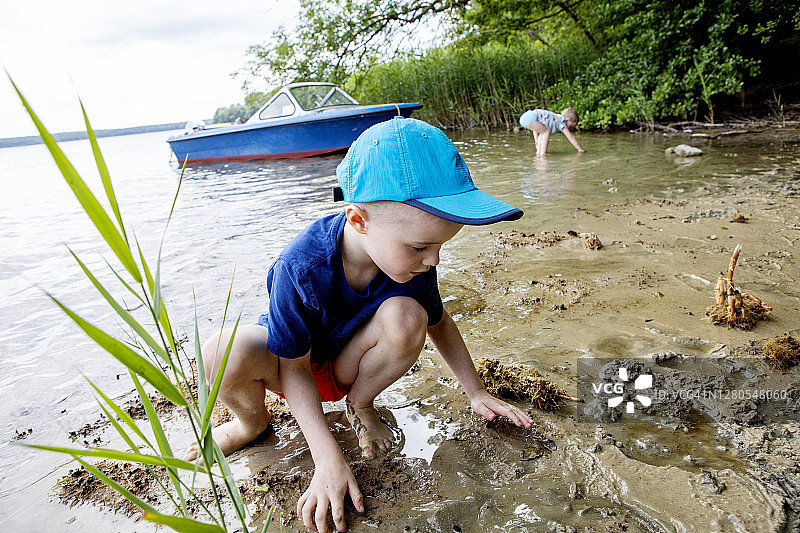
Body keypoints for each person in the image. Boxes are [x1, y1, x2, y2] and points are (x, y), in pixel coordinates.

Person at [184, 116, 533, 533]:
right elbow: (293, 366)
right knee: (220, 352)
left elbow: (439, 324)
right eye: (421, 246)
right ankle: (250, 423)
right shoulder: (301, 265)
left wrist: (476, 392)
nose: (433, 259)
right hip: (290, 366)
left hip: (350, 365)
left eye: (441, 245)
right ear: (358, 220)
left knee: (409, 316)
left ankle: (361, 404)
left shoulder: (414, 267)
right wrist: (327, 458)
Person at [519, 107, 585, 155]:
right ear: (568, 119)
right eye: (571, 126)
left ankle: (539, 153)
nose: (569, 128)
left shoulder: (554, 117)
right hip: (531, 117)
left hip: (526, 116)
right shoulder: (561, 122)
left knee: (542, 132)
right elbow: (571, 137)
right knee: (546, 132)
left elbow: (536, 128)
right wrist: (580, 149)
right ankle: (543, 154)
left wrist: (536, 140)